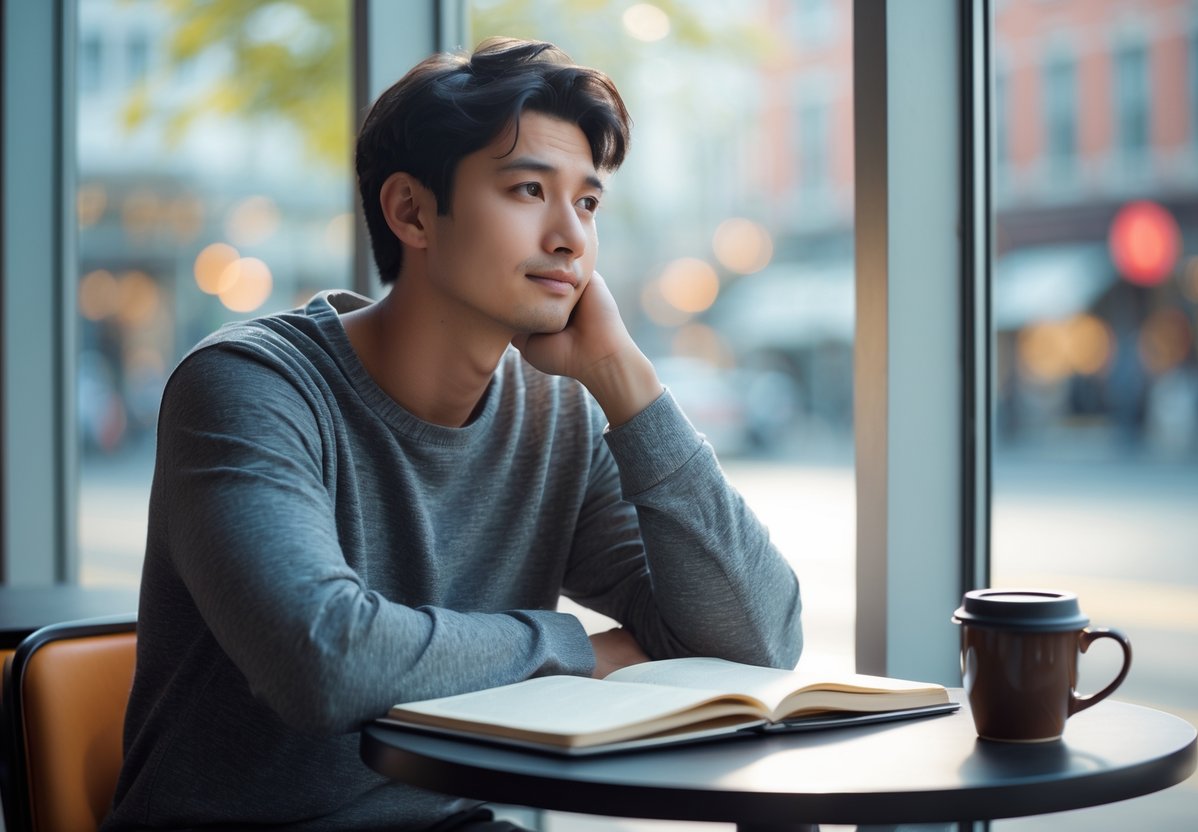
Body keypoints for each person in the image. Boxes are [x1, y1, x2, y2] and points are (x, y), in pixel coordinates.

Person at [103, 37, 802, 832]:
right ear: (410, 210)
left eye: (587, 202)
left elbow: (757, 639)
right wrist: (575, 645)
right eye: (528, 189)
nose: (570, 238)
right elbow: (325, 660)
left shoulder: (555, 414)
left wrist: (626, 383)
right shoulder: (247, 386)